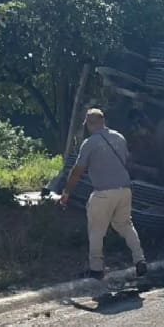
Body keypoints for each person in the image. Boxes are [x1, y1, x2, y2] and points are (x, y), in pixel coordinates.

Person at [60, 108, 147, 280]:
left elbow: (77, 171)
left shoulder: (90, 143)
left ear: (89, 124)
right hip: (124, 190)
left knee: (96, 230)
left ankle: (96, 269)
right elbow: (127, 160)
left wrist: (66, 192)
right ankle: (140, 260)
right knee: (125, 225)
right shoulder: (119, 137)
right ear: (103, 121)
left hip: (103, 193)